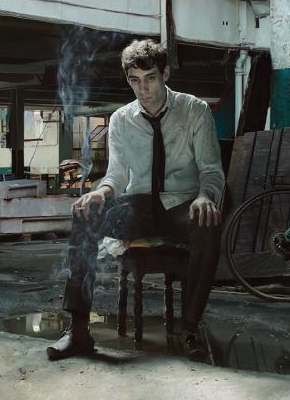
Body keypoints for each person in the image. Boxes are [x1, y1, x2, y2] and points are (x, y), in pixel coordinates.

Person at [47, 39, 225, 361]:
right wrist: (101, 192)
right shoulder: (121, 119)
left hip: (181, 205)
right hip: (139, 205)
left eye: (150, 78)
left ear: (165, 73)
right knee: (85, 214)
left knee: (208, 222)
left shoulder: (194, 111)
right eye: (135, 81)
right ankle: (78, 331)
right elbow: (116, 174)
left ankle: (189, 329)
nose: (143, 89)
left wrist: (205, 197)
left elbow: (211, 170)